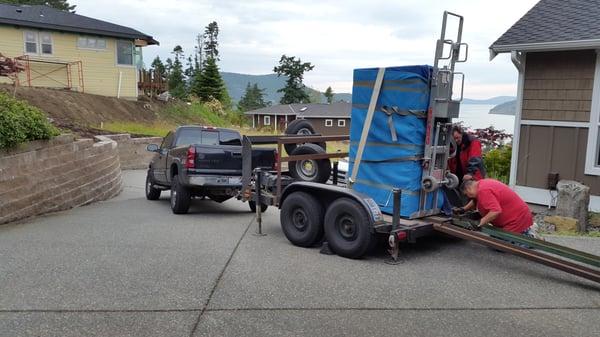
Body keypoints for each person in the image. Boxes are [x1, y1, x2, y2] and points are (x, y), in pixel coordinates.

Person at [457, 179, 539, 238]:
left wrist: (480, 222)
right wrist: (463, 209)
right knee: (493, 238)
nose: (467, 196)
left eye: (467, 194)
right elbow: (475, 200)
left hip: (517, 220)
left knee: (499, 246)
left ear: (469, 188)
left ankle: (530, 235)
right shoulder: (481, 184)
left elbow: (495, 211)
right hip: (517, 216)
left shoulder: (483, 191)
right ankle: (525, 230)